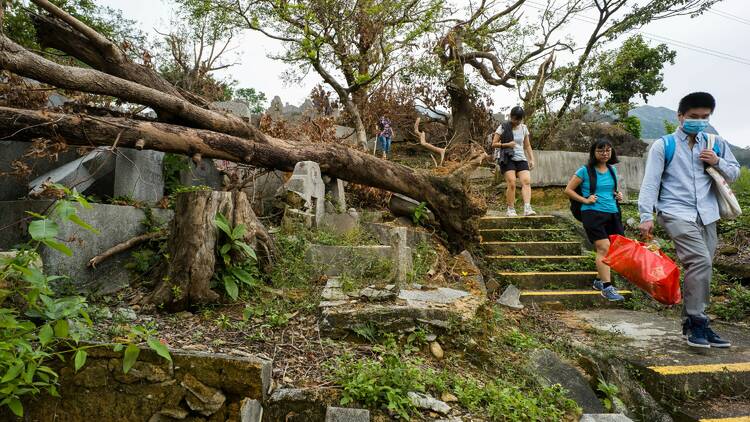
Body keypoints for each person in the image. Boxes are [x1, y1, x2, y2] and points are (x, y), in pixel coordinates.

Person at [638, 92, 741, 349]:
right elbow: (650, 182)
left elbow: (736, 172)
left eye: (704, 117)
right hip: (675, 212)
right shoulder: (664, 145)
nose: (699, 121)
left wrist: (717, 162)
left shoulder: (716, 143)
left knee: (700, 267)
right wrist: (645, 215)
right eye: (693, 117)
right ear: (680, 116)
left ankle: (692, 323)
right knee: (701, 261)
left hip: (707, 214)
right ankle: (698, 320)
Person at [564, 140, 626, 301]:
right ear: (594, 153)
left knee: (612, 249)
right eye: (601, 151)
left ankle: (599, 281)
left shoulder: (612, 170)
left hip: (612, 212)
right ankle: (607, 287)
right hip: (592, 213)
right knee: (603, 247)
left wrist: (618, 195)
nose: (605, 153)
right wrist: (585, 200)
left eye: (607, 150)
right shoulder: (584, 171)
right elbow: (568, 190)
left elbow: (610, 190)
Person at [492, 106, 536, 216]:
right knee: (511, 183)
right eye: (515, 119)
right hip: (507, 157)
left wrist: (531, 159)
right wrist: (507, 144)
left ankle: (527, 208)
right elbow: (494, 144)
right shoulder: (503, 127)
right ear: (511, 116)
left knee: (526, 181)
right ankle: (510, 209)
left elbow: (527, 145)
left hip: (521, 158)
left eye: (519, 120)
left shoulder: (524, 128)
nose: (516, 121)